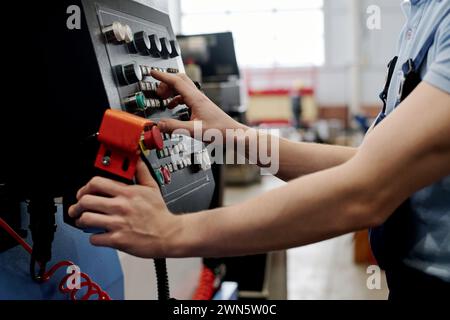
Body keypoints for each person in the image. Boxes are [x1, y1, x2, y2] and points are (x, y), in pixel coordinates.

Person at [69, 1, 450, 299]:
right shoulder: (422, 13)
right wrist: (233, 135)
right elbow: (376, 165)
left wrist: (172, 231)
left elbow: (368, 190)